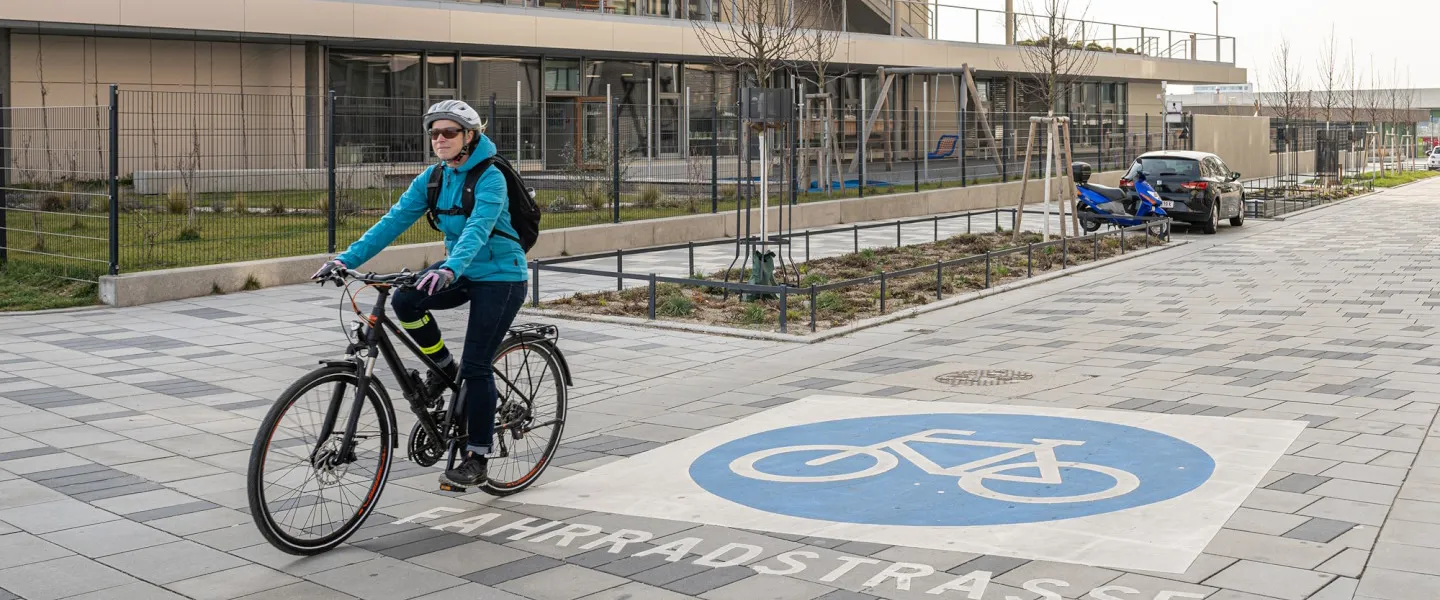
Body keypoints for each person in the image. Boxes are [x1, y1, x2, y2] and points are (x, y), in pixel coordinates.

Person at [311, 100, 528, 488]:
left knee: (478, 364)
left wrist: (448, 268)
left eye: (449, 132)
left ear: (469, 136)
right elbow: (391, 222)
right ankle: (445, 368)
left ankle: (478, 454)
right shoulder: (433, 178)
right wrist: (344, 259)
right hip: (459, 270)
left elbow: (478, 230)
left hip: (500, 275)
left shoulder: (491, 177)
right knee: (405, 300)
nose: (439, 139)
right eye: (434, 133)